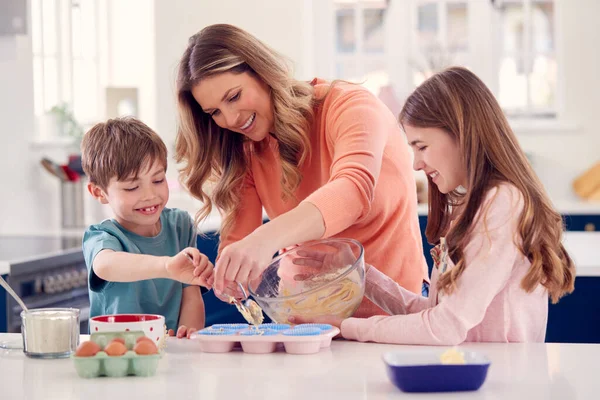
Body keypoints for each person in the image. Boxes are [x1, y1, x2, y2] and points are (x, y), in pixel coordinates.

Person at [291, 67, 575, 344]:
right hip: (477, 373)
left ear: (461, 133)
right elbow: (434, 314)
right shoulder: (472, 206)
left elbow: (446, 327)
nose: (416, 164)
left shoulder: (501, 203)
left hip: (500, 382)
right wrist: (361, 274)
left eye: (422, 146)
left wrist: (350, 328)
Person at [175, 24, 428, 317]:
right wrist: (229, 276)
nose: (230, 118)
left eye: (233, 97)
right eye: (214, 112)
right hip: (308, 320)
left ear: (262, 72)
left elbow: (352, 192)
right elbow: (240, 243)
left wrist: (264, 240)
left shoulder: (350, 106)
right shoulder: (246, 148)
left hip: (395, 313)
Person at [81, 117, 214, 338]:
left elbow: (191, 294)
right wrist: (167, 266)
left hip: (171, 353)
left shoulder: (180, 225)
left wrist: (188, 335)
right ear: (99, 193)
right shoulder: (103, 236)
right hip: (119, 354)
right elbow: (105, 265)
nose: (150, 196)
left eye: (158, 180)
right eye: (132, 187)